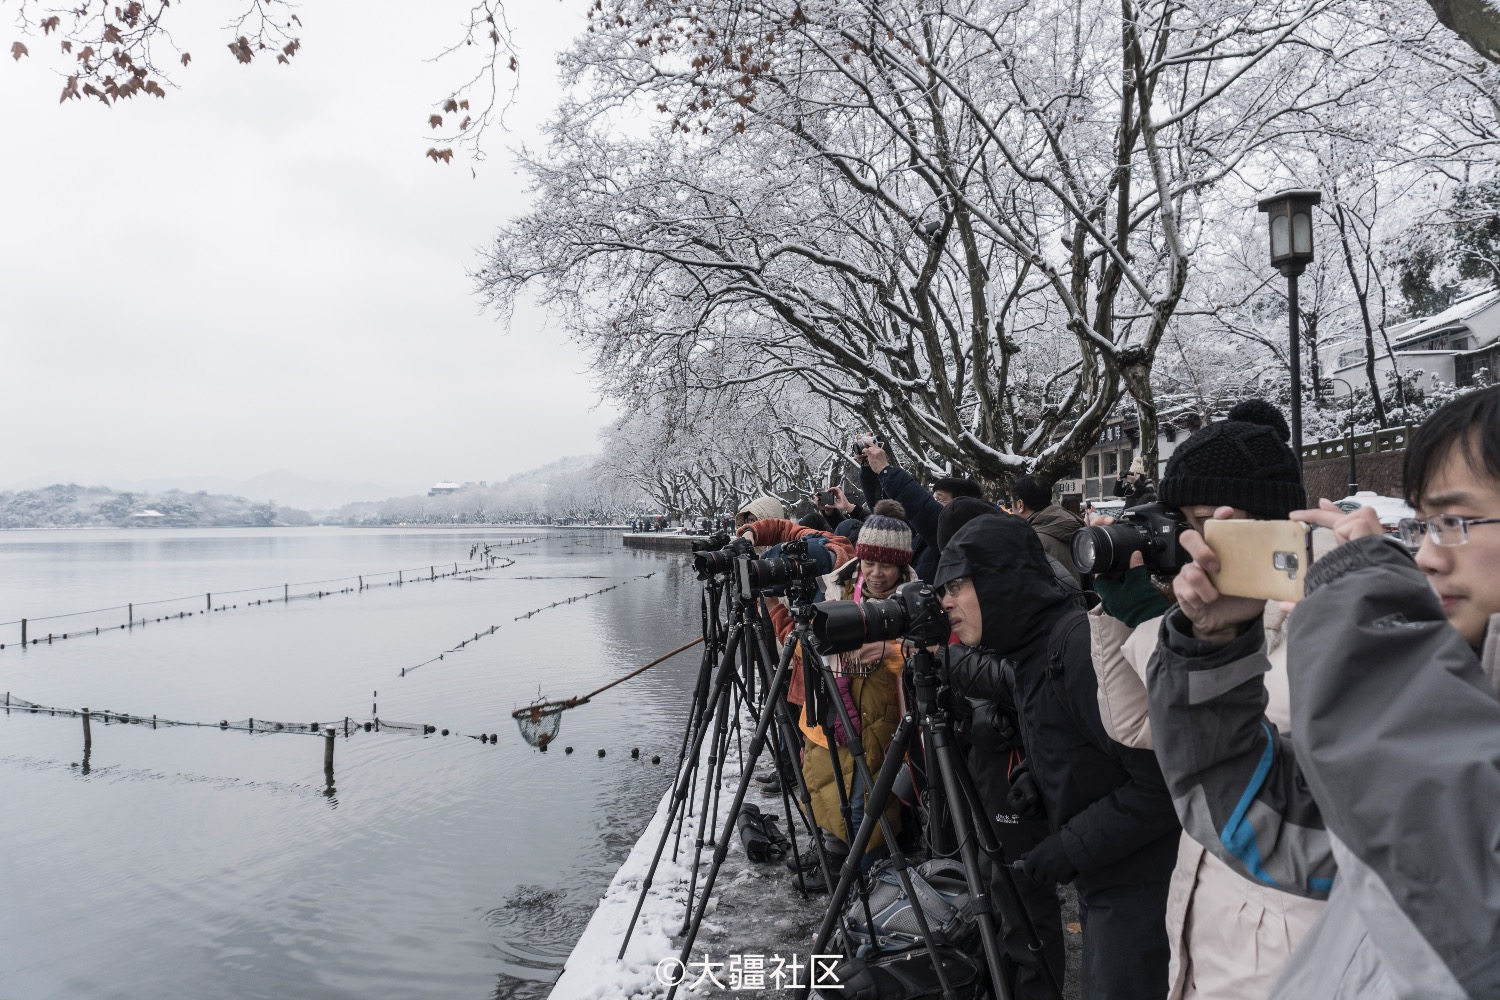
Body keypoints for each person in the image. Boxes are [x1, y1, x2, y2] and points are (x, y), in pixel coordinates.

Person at [1147, 384, 1500, 998]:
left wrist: (1366, 603)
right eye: (1422, 526)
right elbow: (1263, 821)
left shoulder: (1364, 622)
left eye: (1453, 522)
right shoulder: (1445, 674)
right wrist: (1216, 640)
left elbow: (1462, 884)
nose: (1426, 558)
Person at [1087, 399, 1325, 1000]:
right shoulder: (1209, 618)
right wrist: (1125, 617)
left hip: (1288, 954)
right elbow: (1139, 727)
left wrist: (1168, 627)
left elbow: (1237, 738)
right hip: (1212, 925)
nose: (1179, 543)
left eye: (1196, 522)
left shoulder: (1318, 627)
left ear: (1257, 529)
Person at [937, 509, 1180, 1000]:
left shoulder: (1072, 649)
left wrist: (1071, 846)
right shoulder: (1029, 650)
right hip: (1109, 882)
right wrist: (1039, 777)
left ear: (1001, 581)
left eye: (957, 585)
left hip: (1140, 890)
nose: (945, 602)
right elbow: (1088, 749)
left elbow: (1164, 785)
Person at [740, 500, 917, 886]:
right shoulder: (837, 585)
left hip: (879, 720)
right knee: (823, 786)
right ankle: (834, 855)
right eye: (869, 563)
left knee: (865, 804)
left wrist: (892, 651)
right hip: (829, 712)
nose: (875, 573)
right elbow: (806, 647)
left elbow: (930, 655)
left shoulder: (913, 600)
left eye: (886, 565)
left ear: (902, 564)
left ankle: (862, 878)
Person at [856, 439, 981, 582]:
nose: (934, 504)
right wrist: (868, 468)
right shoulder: (919, 535)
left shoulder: (959, 539)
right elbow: (885, 513)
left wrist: (885, 470)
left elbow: (925, 510)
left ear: (963, 505)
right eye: (933, 499)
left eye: (940, 499)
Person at [1011, 474, 1086, 584]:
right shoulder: (1075, 525)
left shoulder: (1031, 540)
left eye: (1011, 504)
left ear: (1020, 505)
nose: (1011, 511)